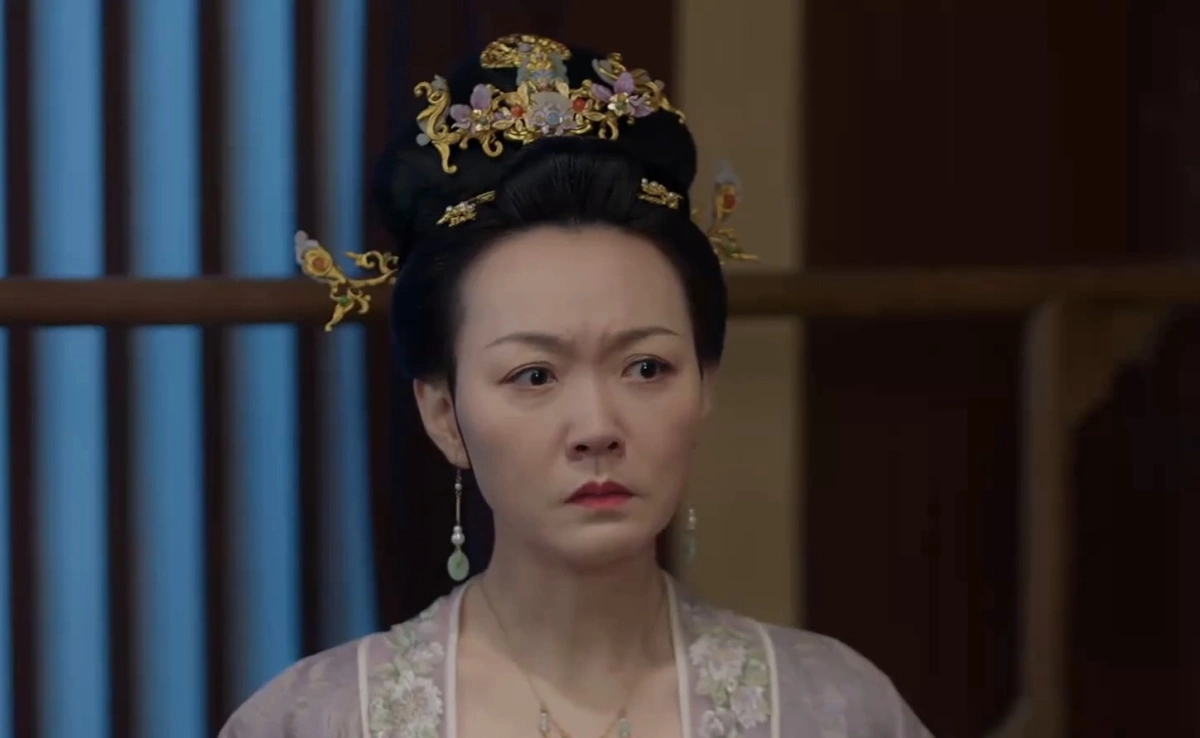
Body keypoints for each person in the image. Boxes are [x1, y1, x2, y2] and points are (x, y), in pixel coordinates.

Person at [221, 34, 933, 738]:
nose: (597, 427)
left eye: (646, 368)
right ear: (443, 413)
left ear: (704, 386)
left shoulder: (832, 709)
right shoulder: (318, 719)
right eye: (534, 375)